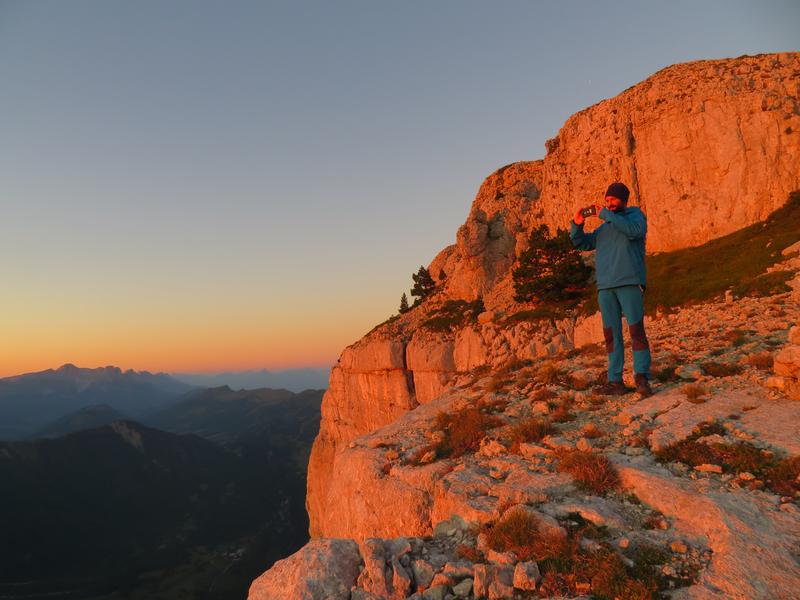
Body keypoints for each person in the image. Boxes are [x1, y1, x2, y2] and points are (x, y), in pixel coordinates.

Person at [570, 182, 653, 397]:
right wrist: (577, 225)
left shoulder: (635, 216)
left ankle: (642, 377)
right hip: (605, 287)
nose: (609, 203)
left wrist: (607, 215)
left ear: (623, 200)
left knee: (636, 331)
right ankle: (615, 381)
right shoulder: (604, 228)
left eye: (613, 199)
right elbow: (582, 244)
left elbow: (635, 231)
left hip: (629, 282)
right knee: (611, 336)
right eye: (607, 200)